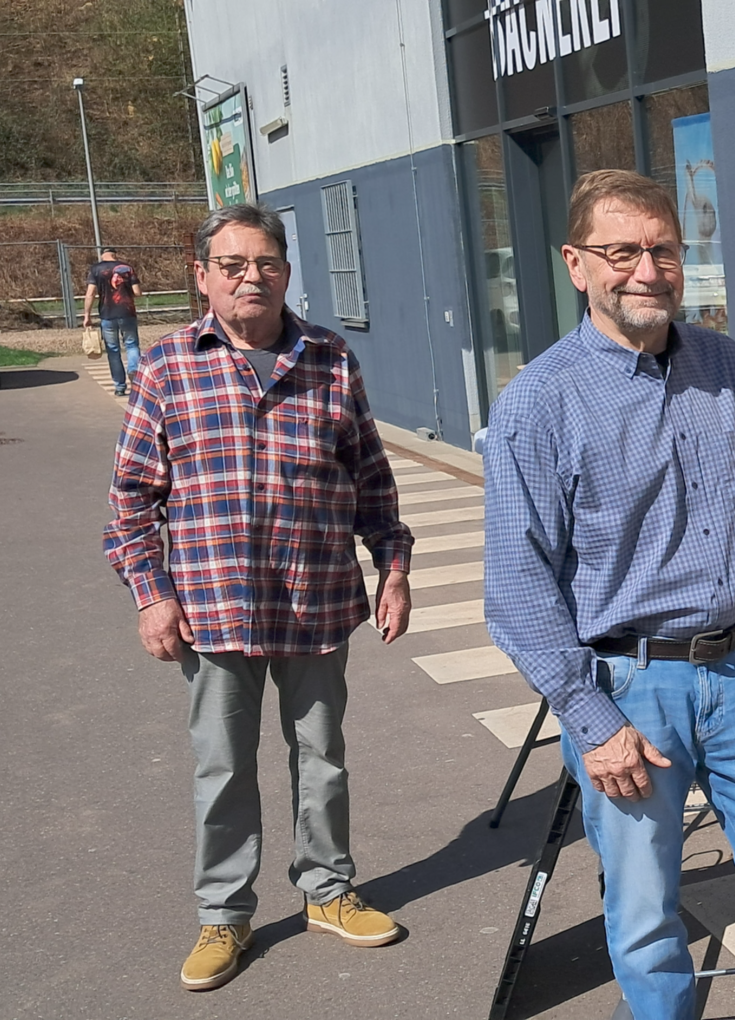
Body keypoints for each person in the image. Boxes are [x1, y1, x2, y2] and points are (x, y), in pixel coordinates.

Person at [482, 170, 735, 1020]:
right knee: (643, 918)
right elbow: (519, 586)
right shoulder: (539, 403)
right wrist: (592, 724)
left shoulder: (724, 364)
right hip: (626, 690)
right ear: (576, 264)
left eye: (662, 250)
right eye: (622, 251)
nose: (646, 269)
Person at [104, 204, 416, 991]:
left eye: (266, 262)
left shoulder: (330, 360)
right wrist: (151, 593)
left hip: (316, 602)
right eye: (233, 264)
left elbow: (370, 477)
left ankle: (327, 891)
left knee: (324, 761)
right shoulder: (167, 367)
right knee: (222, 769)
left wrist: (395, 565)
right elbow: (132, 498)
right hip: (212, 608)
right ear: (202, 276)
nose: (253, 276)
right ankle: (223, 914)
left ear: (286, 269)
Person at [83, 247, 144, 396]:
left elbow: (90, 293)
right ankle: (133, 370)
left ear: (102, 256)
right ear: (115, 255)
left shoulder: (95, 269)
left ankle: (119, 386)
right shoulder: (128, 268)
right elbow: (137, 292)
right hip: (127, 312)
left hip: (107, 314)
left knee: (113, 351)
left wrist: (87, 315)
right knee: (131, 345)